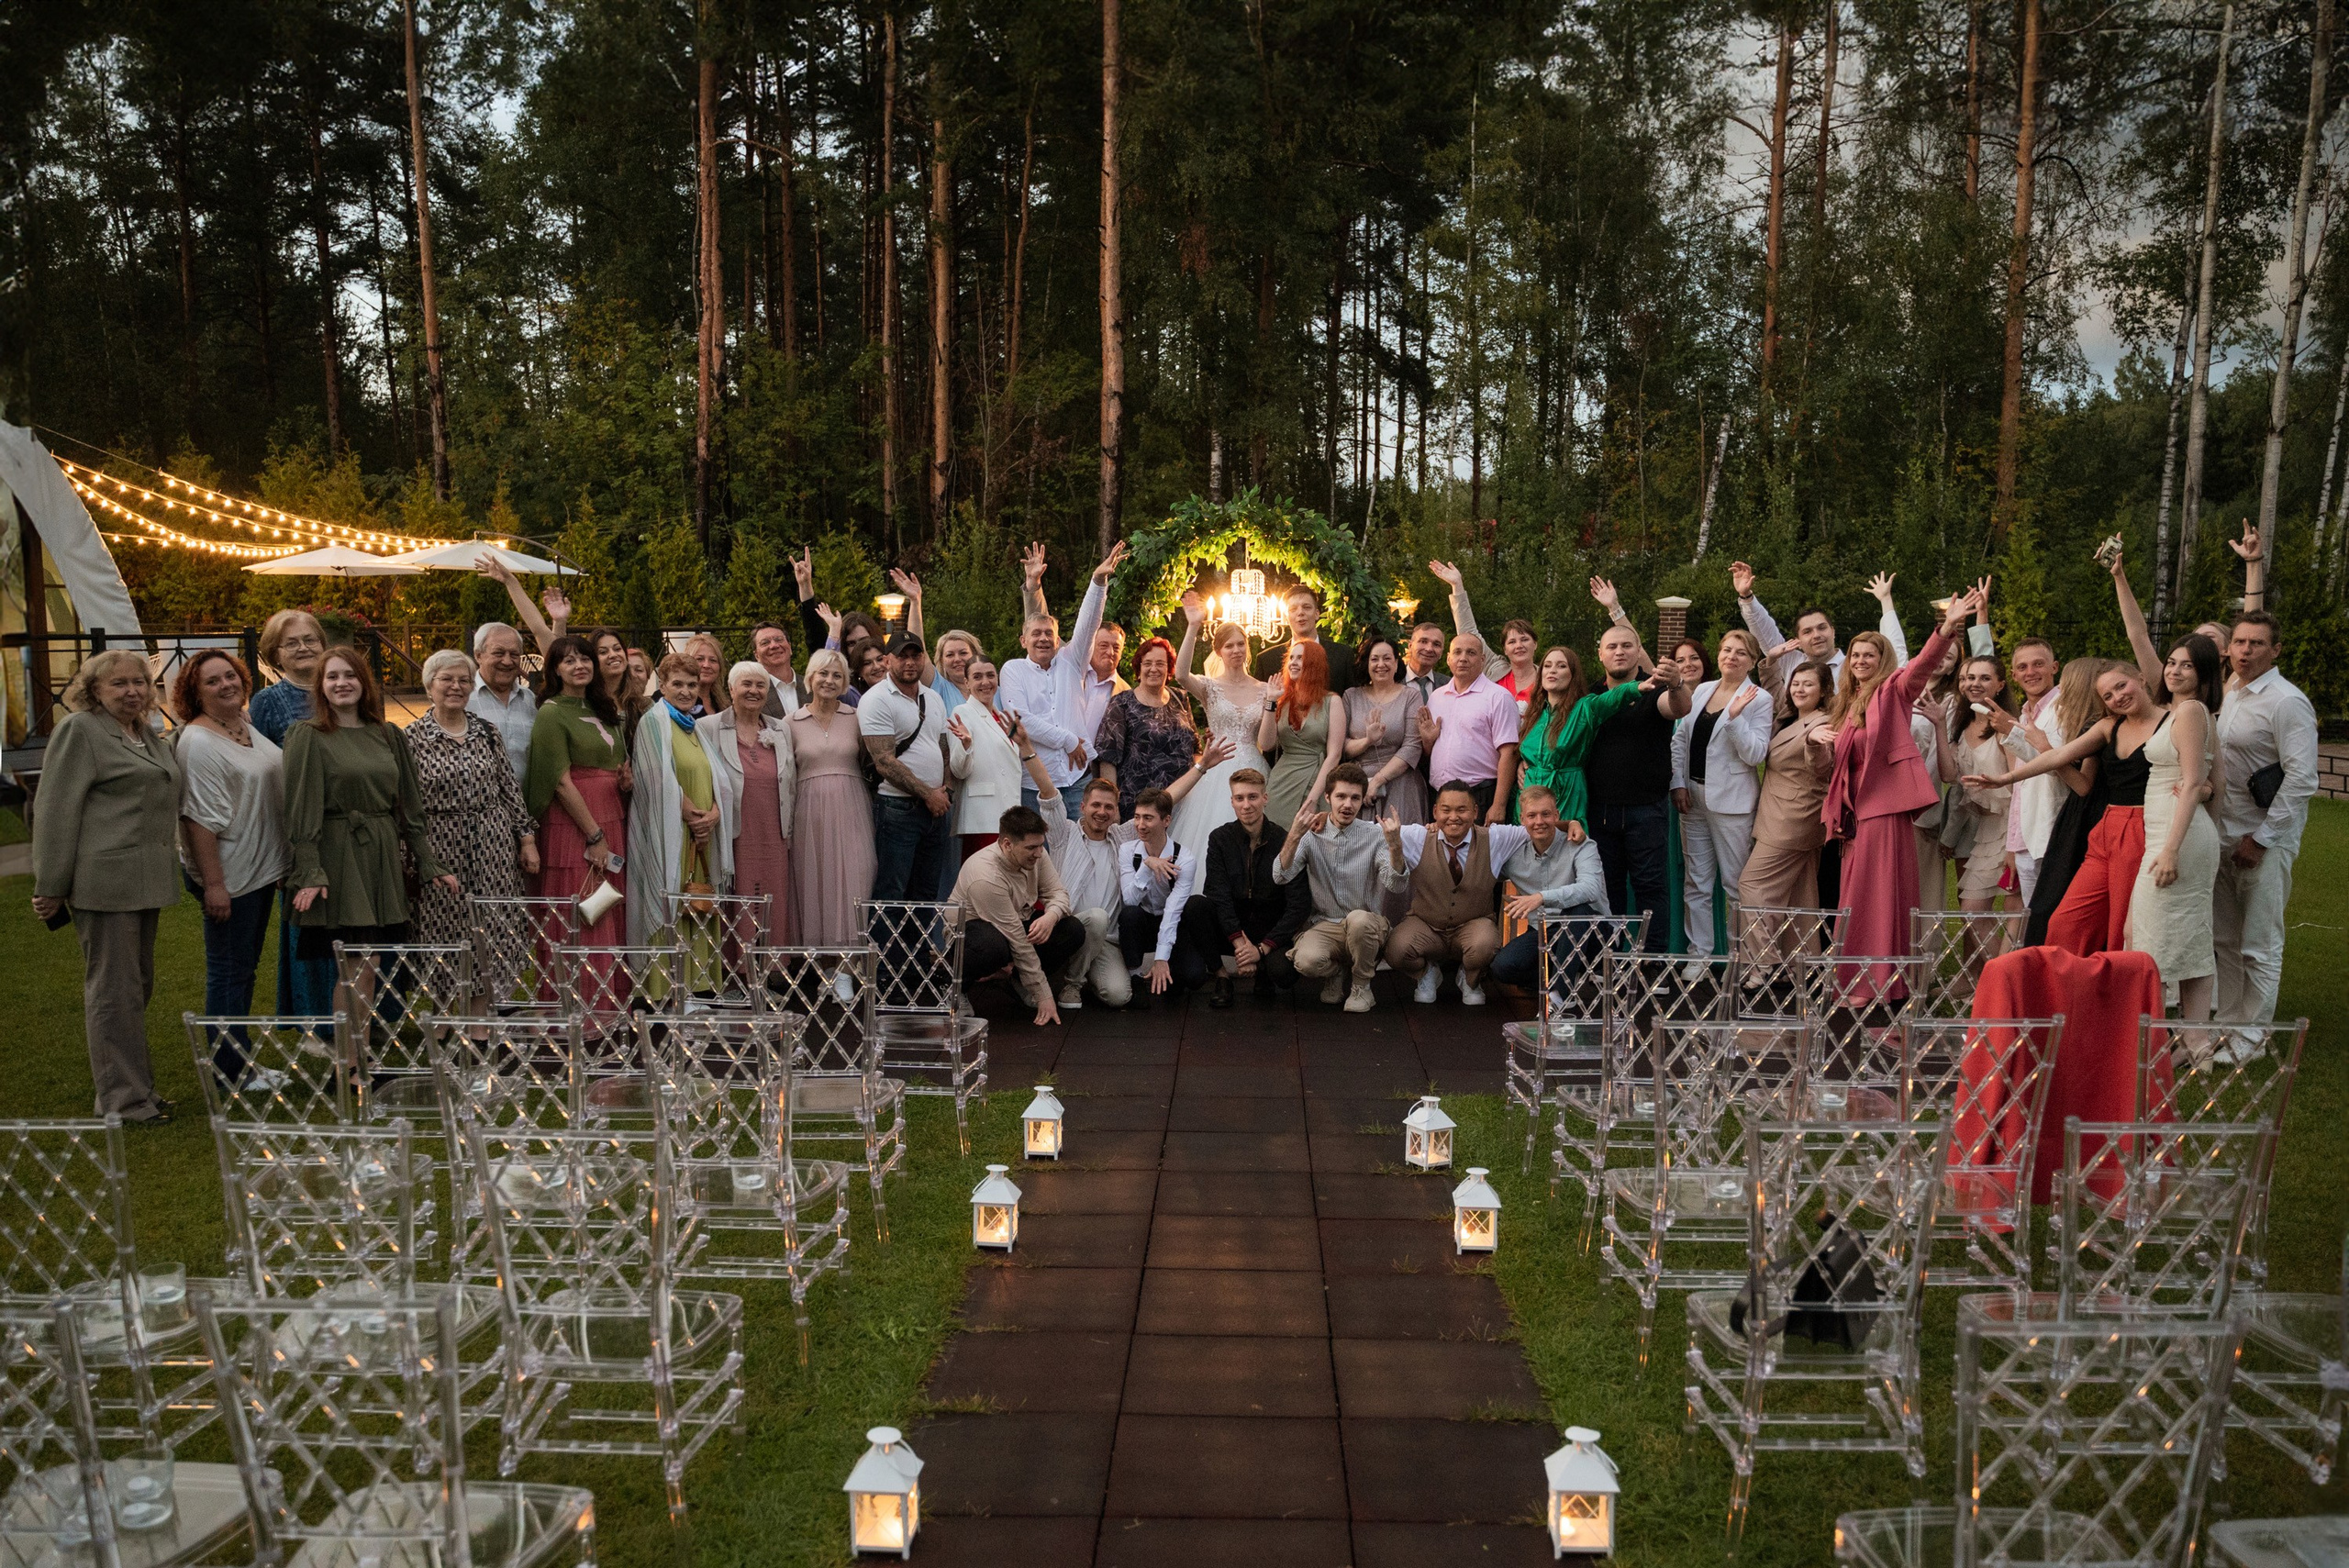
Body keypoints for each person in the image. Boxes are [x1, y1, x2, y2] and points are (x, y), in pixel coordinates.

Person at [31, 651, 184, 1122]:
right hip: (105, 882)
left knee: (136, 987)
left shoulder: (148, 735)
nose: (133, 691)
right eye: (119, 684)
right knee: (113, 992)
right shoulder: (80, 731)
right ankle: (123, 1100)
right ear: (93, 689)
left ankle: (138, 1090)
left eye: (140, 682)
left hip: (146, 880)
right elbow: (55, 811)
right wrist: (51, 884)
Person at [1963, 661, 2168, 961]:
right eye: (2107, 695)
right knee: (2061, 921)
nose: (2117, 697)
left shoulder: (2173, 722)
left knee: (2124, 926)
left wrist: (2202, 790)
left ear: (2140, 677)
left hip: (2141, 827)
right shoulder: (2107, 726)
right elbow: (2064, 763)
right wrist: (2004, 779)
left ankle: (2121, 994)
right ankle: (2069, 988)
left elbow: (2197, 777)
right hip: (2104, 829)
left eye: (2121, 687)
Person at [1818, 587, 1981, 960]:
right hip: (1853, 812)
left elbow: (1922, 665)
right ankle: (1858, 972)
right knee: (1854, 894)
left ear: (1883, 659)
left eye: (1869, 655)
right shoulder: (1846, 702)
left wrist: (1946, 629)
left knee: (1874, 895)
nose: (1860, 660)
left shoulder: (1893, 691)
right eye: (1855, 655)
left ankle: (1878, 978)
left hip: (1884, 809)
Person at [284, 647, 456, 964]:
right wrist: (309, 869)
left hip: (382, 856)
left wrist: (427, 861)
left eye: (350, 675)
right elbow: (301, 809)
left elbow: (408, 805)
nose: (341, 683)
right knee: (357, 961)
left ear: (364, 682)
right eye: (332, 676)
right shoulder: (308, 736)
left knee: (373, 961)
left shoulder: (388, 734)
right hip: (339, 857)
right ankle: (349, 1017)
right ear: (321, 686)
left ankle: (359, 1017)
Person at [173, 651, 289, 1055]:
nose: (226, 685)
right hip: (229, 875)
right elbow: (197, 821)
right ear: (195, 692)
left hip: (257, 870)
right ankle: (228, 1069)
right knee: (228, 971)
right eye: (213, 681)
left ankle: (238, 1057)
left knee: (243, 968)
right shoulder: (199, 742)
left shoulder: (242, 724)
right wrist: (215, 885)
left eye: (231, 676)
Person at [2212, 611, 2316, 1039]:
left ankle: (2252, 1035)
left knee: (2259, 942)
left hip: (2264, 838)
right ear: (2229, 648)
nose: (2246, 651)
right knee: (2225, 941)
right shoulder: (2232, 692)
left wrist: (2262, 839)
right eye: (2239, 642)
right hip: (2223, 831)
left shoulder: (2286, 701)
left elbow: (2303, 778)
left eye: (2256, 643)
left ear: (2275, 650)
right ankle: (2226, 1024)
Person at [406, 650, 535, 948]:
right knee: (449, 935)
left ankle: (492, 995)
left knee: (495, 934)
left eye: (464, 680)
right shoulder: (411, 738)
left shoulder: (487, 732)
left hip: (494, 851)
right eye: (446, 679)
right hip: (441, 850)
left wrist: (527, 840)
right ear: (429, 687)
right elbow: (405, 803)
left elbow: (509, 789)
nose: (456, 686)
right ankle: (456, 995)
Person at [1583, 611, 1690, 951]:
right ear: (1599, 653)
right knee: (1607, 887)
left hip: (1647, 809)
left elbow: (1678, 708)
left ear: (1637, 649)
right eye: (1611, 646)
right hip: (1600, 809)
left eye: (1627, 645)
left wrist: (1676, 683)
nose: (1619, 651)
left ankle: (1652, 963)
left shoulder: (1654, 687)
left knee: (1650, 887)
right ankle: (1609, 960)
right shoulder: (1589, 695)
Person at [1377, 782, 1539, 1005]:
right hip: (1426, 924)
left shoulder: (1495, 838)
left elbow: (1536, 826)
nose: (1453, 817)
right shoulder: (1417, 836)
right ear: (1435, 812)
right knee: (1396, 949)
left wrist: (1570, 825)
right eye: (1446, 810)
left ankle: (1470, 979)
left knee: (1486, 945)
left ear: (1475, 812)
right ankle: (1427, 973)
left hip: (1473, 924)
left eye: (1461, 810)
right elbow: (1366, 830)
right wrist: (1324, 820)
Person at [999, 541, 1127, 814]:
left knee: (1076, 852)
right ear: (1023, 640)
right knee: (1035, 854)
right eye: (1036, 634)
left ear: (1058, 641)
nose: (1043, 638)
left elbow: (1089, 622)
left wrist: (1098, 581)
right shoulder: (1012, 669)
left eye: (1049, 634)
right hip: (1033, 783)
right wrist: (1068, 740)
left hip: (1077, 781)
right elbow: (1021, 719)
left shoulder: (1071, 662)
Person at [1669, 629, 1773, 958]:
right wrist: (1678, 783)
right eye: (1727, 650)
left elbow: (1755, 754)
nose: (1732, 656)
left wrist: (1734, 718)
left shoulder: (1760, 698)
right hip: (1693, 798)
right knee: (1696, 883)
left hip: (1732, 804)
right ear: (1718, 655)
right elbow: (1681, 740)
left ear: (1752, 661)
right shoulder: (1701, 690)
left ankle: (1740, 957)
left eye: (1741, 653)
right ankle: (1699, 954)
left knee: (1735, 885)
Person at [524, 634, 630, 948]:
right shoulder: (552, 712)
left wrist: (624, 779)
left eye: (584, 659)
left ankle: (610, 992)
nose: (579, 665)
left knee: (607, 904)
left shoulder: (602, 707)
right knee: (582, 908)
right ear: (555, 670)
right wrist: (593, 835)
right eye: (569, 661)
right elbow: (560, 780)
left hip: (611, 814)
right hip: (575, 824)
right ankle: (579, 992)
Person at [952, 805, 1085, 1026]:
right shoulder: (986, 876)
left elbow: (1059, 894)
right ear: (1007, 844)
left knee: (1072, 929)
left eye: (1041, 845)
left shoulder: (1037, 853)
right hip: (971, 932)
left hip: (1012, 925)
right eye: (1032, 847)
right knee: (993, 946)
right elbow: (1017, 940)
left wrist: (1051, 916)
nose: (1039, 853)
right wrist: (1044, 995)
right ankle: (955, 988)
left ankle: (1018, 981)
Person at [1272, 763, 1388, 1013]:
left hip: (1365, 924)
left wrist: (1396, 845)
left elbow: (1397, 883)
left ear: (1362, 800)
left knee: (1358, 920)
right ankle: (1336, 971)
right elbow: (1280, 877)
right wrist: (1294, 834)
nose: (1348, 804)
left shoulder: (1375, 834)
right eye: (1341, 796)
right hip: (1325, 924)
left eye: (1355, 798)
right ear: (1328, 798)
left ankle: (1361, 985)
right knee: (1306, 962)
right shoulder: (1311, 833)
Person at [1736, 660, 1837, 945]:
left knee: (1752, 885)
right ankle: (1798, 964)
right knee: (1799, 894)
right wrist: (1769, 663)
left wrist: (1814, 744)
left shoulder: (1822, 722)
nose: (1799, 689)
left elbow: (1821, 769)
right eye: (1796, 683)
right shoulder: (1789, 716)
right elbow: (1773, 688)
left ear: (1824, 690)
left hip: (1791, 821)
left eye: (1808, 684)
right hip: (1788, 818)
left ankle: (1761, 965)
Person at [1197, 767, 1311, 1008]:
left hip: (1270, 929)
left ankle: (1264, 971)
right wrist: (1241, 944)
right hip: (1234, 928)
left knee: (1284, 974)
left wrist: (1261, 950)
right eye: (1239, 798)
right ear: (1232, 802)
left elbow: (1299, 904)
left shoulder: (1284, 840)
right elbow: (1218, 894)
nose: (1246, 805)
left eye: (1253, 797)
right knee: (1196, 906)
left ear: (1265, 798)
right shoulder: (1220, 839)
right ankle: (1222, 978)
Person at [699, 662, 796, 944]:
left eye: (760, 685)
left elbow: (790, 781)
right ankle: (735, 975)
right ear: (731, 689)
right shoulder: (709, 727)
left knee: (772, 901)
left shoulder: (781, 729)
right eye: (746, 684)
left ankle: (768, 972)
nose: (754, 691)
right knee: (737, 900)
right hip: (735, 834)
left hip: (774, 835)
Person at [2022, 658, 2117, 945]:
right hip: (2084, 817)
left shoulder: (2094, 726)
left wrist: (2046, 750)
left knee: (2055, 904)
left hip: (2086, 819)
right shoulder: (2095, 724)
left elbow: (2083, 785)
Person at [787, 651, 876, 944]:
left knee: (858, 874)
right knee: (815, 880)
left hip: (852, 808)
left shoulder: (857, 717)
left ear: (845, 683)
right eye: (823, 674)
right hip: (809, 812)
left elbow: (871, 759)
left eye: (837, 675)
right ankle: (821, 960)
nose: (829, 680)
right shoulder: (790, 722)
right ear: (810, 678)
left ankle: (849, 961)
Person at [1486, 785, 1610, 995]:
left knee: (1578, 911)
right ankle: (1561, 977)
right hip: (1544, 932)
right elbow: (1484, 871)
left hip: (1592, 932)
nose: (1539, 821)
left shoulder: (1582, 845)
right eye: (1532, 816)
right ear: (1522, 819)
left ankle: (1560, 995)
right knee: (1502, 967)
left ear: (1556, 815)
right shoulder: (1514, 854)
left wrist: (1541, 898)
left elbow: (1591, 890)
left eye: (1545, 814)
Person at [862, 631, 957, 902]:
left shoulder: (932, 698)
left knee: (926, 892)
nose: (910, 662)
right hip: (898, 808)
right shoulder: (877, 699)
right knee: (892, 890)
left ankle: (919, 946)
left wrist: (947, 789)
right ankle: (885, 946)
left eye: (915, 655)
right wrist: (929, 795)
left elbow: (943, 746)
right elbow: (884, 761)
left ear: (924, 659)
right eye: (902, 656)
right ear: (888, 660)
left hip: (937, 809)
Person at [1168, 596, 1271, 847]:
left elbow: (1266, 740)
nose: (1236, 650)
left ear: (1248, 647)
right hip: (1216, 769)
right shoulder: (1209, 687)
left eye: (1240, 644)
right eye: (1228, 646)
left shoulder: (1265, 689)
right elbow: (1180, 674)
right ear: (1219, 652)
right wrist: (1193, 626)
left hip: (1253, 766)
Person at [1417, 634, 1520, 823]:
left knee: (1479, 852)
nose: (1463, 658)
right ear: (1449, 659)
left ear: (1482, 660)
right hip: (1440, 797)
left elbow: (1509, 753)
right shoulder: (1436, 697)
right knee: (1440, 852)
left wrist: (1498, 805)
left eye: (1471, 653)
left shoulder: (1498, 697)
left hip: (1480, 795)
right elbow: (1431, 752)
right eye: (1457, 652)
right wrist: (1427, 741)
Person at [1941, 656, 2015, 916]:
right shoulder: (1963, 724)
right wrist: (1940, 725)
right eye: (1971, 677)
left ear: (2000, 685)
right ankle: (2000, 959)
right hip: (1983, 829)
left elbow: (2022, 786)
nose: (1975, 683)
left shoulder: (2005, 726)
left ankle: (2011, 958)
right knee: (1972, 913)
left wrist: (2015, 846)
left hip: (2009, 830)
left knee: (2013, 911)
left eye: (1985, 678)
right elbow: (1951, 778)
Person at [1096, 636, 1201, 818]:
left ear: (1169, 669)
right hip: (1139, 807)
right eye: (1148, 663)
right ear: (1139, 668)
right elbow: (1108, 759)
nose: (1154, 669)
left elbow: (1195, 750)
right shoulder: (1122, 703)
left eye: (1160, 663)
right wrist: (1111, 806)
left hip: (1183, 805)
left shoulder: (1180, 698)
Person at [1117, 787, 1206, 1004]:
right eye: (1137, 817)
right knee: (1129, 915)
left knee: (1194, 978)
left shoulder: (1184, 859)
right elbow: (1130, 900)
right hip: (1142, 922)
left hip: (1172, 923)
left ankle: (1171, 972)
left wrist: (1161, 958)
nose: (1140, 825)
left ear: (1166, 820)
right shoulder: (1127, 851)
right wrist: (1148, 866)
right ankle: (1135, 977)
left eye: (1148, 818)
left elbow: (1173, 911)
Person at [2000, 637, 2064, 906]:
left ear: (2054, 667)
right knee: (2033, 921)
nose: (2031, 672)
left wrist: (2010, 733)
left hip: (2054, 831)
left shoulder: (2064, 709)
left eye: (2038, 664)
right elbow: (2020, 788)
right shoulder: (2025, 715)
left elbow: (2057, 765)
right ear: (2014, 675)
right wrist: (2013, 845)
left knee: (2056, 920)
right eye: (2023, 667)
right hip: (2026, 838)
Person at [945, 659, 1028, 860]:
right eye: (977, 677)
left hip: (1006, 816)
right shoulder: (962, 712)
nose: (985, 682)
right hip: (982, 817)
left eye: (990, 675)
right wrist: (966, 745)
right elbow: (959, 771)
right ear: (966, 683)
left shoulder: (1002, 717)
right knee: (984, 881)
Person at [1259, 639, 1347, 828]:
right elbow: (1266, 744)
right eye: (1291, 658)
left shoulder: (1332, 702)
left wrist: (1313, 798)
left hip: (1318, 779)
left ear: (1314, 663)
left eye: (1300, 658)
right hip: (1282, 781)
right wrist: (1271, 701)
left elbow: (1334, 755)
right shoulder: (1282, 701)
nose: (1293, 662)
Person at [1343, 636, 1428, 824]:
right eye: (1374, 659)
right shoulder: (1351, 696)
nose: (1381, 664)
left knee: (1398, 847)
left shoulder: (1410, 697)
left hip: (1400, 785)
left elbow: (1412, 746)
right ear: (1366, 663)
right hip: (1359, 786)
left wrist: (1377, 781)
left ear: (1397, 664)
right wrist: (1367, 741)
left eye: (1387, 658)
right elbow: (1342, 746)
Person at [1428, 560, 1537, 704]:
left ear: (1535, 644)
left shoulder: (1547, 677)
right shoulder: (1495, 668)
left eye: (1524, 639)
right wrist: (1457, 586)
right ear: (1505, 649)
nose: (1519, 646)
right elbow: (1468, 631)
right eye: (1512, 642)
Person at [465, 621, 540, 791]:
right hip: (479, 810)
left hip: (525, 808)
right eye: (498, 653)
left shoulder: (529, 700)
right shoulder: (463, 699)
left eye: (514, 654)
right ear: (478, 655)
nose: (507, 661)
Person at [1251, 584, 1356, 692]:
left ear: (1317, 614)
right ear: (1286, 617)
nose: (1300, 613)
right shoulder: (1266, 660)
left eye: (1306, 607)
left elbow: (1352, 701)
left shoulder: (1343, 655)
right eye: (1293, 609)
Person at [250, 608, 327, 744]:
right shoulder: (267, 702)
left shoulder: (346, 688)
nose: (303, 648)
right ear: (275, 655)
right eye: (292, 643)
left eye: (309, 640)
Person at [588, 627, 651, 746]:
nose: (613, 655)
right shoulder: (585, 703)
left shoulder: (643, 706)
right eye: (603, 652)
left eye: (617, 649)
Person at [751, 622, 805, 718]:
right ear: (757, 655)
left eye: (779, 640)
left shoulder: (811, 686)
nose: (774, 646)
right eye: (765, 643)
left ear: (790, 647)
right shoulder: (753, 693)